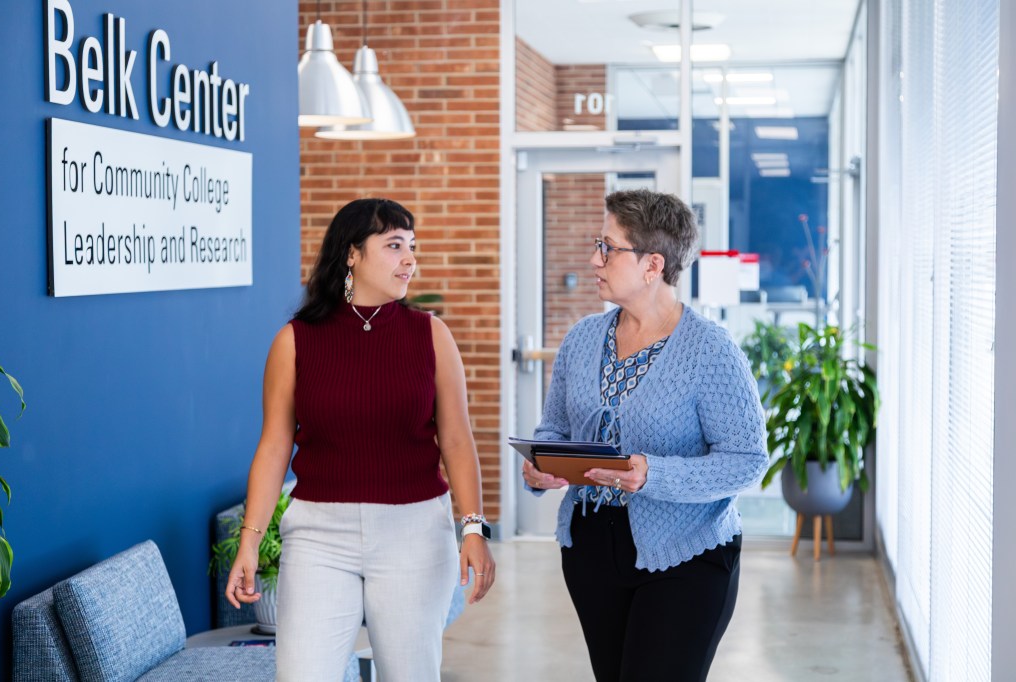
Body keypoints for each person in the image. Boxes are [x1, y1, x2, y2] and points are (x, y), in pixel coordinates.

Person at [224, 198, 495, 682]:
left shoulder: (431, 336)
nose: (409, 258)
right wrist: (250, 542)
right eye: (394, 246)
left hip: (414, 534)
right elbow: (273, 447)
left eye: (412, 247)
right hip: (318, 537)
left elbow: (456, 441)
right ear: (352, 254)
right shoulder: (295, 340)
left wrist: (473, 527)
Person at [522, 189, 767, 682]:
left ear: (653, 264)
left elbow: (747, 458)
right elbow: (554, 428)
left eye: (608, 248)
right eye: (599, 244)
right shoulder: (583, 338)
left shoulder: (711, 350)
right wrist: (540, 465)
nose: (595, 259)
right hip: (591, 548)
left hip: (688, 553)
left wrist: (653, 474)